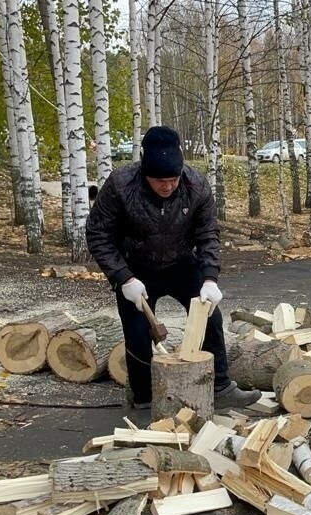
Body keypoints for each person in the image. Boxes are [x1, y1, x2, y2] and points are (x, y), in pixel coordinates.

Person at [86, 126, 261, 411]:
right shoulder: (121, 185)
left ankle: (220, 386)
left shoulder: (196, 185)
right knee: (138, 332)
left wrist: (209, 279)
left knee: (211, 319)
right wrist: (123, 277)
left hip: (182, 263)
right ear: (145, 174)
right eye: (159, 180)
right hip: (136, 268)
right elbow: (97, 233)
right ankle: (143, 399)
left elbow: (208, 234)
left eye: (173, 179)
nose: (167, 186)